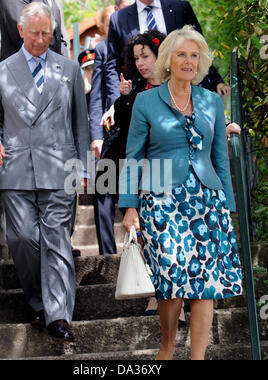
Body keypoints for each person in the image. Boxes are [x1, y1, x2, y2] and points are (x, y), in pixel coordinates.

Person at [118, 25, 243, 360]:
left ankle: (198, 357)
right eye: (181, 54)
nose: (189, 61)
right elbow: (133, 158)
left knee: (205, 287)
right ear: (169, 61)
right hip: (160, 202)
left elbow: (219, 157)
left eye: (194, 55)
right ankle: (168, 347)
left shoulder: (211, 102)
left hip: (206, 201)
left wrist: (228, 207)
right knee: (172, 282)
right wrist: (129, 207)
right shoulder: (145, 101)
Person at [0, 2, 89, 341]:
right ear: (21, 31)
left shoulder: (69, 70)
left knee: (56, 237)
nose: (42, 40)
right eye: (36, 33)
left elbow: (80, 126)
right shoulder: (1, 71)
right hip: (15, 168)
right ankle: (39, 302)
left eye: (48, 33)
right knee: (23, 238)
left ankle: (58, 315)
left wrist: (83, 169)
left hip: (59, 167)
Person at [105, 0, 230, 112]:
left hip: (186, 94)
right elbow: (113, 65)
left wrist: (216, 80)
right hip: (141, 103)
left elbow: (199, 48)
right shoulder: (119, 19)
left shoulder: (180, 8)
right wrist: (115, 103)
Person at [89, 0, 135, 256]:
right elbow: (96, 95)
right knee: (103, 192)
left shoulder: (144, 46)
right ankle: (108, 256)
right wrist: (96, 135)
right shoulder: (103, 50)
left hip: (138, 130)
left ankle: (140, 251)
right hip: (110, 133)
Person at [0, 0, 69, 61]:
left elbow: (58, 37)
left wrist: (65, 65)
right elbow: (21, 34)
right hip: (20, 71)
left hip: (51, 69)